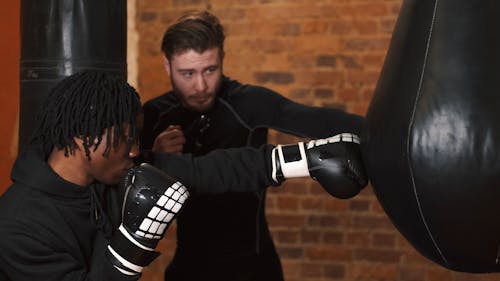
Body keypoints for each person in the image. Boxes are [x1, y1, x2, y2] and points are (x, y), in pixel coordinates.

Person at [0, 70, 367, 280]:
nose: (133, 149)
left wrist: (307, 158)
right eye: (125, 138)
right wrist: (132, 242)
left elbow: (210, 169)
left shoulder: (115, 176)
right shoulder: (19, 225)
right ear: (83, 139)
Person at [141, 10, 366, 281]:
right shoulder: (154, 116)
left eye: (209, 70)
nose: (200, 85)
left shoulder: (248, 104)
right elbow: (122, 201)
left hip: (254, 267)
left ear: (222, 59)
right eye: (187, 73)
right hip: (190, 267)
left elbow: (322, 121)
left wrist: (405, 134)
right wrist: (154, 161)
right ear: (167, 66)